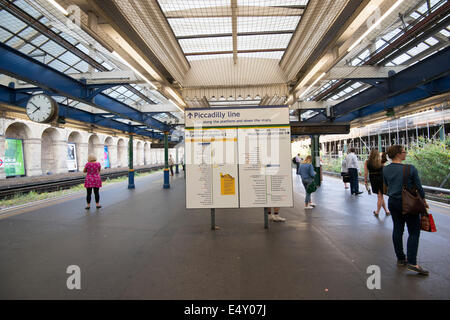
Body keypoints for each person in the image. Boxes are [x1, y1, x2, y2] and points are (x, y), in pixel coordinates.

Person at [383, 145, 429, 275]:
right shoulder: (410, 169)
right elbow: (419, 188)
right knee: (414, 231)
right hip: (408, 203)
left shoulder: (385, 170)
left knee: (398, 229)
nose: (406, 153)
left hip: (393, 201)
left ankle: (401, 259)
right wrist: (423, 201)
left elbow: (387, 185)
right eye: (404, 152)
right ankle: (412, 262)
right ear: (398, 154)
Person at [364, 149, 390, 217]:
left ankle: (377, 212)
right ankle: (386, 211)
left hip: (373, 179)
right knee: (380, 195)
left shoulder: (367, 162)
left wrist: (365, 181)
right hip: (381, 179)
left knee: (380, 196)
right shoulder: (380, 161)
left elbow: (366, 173)